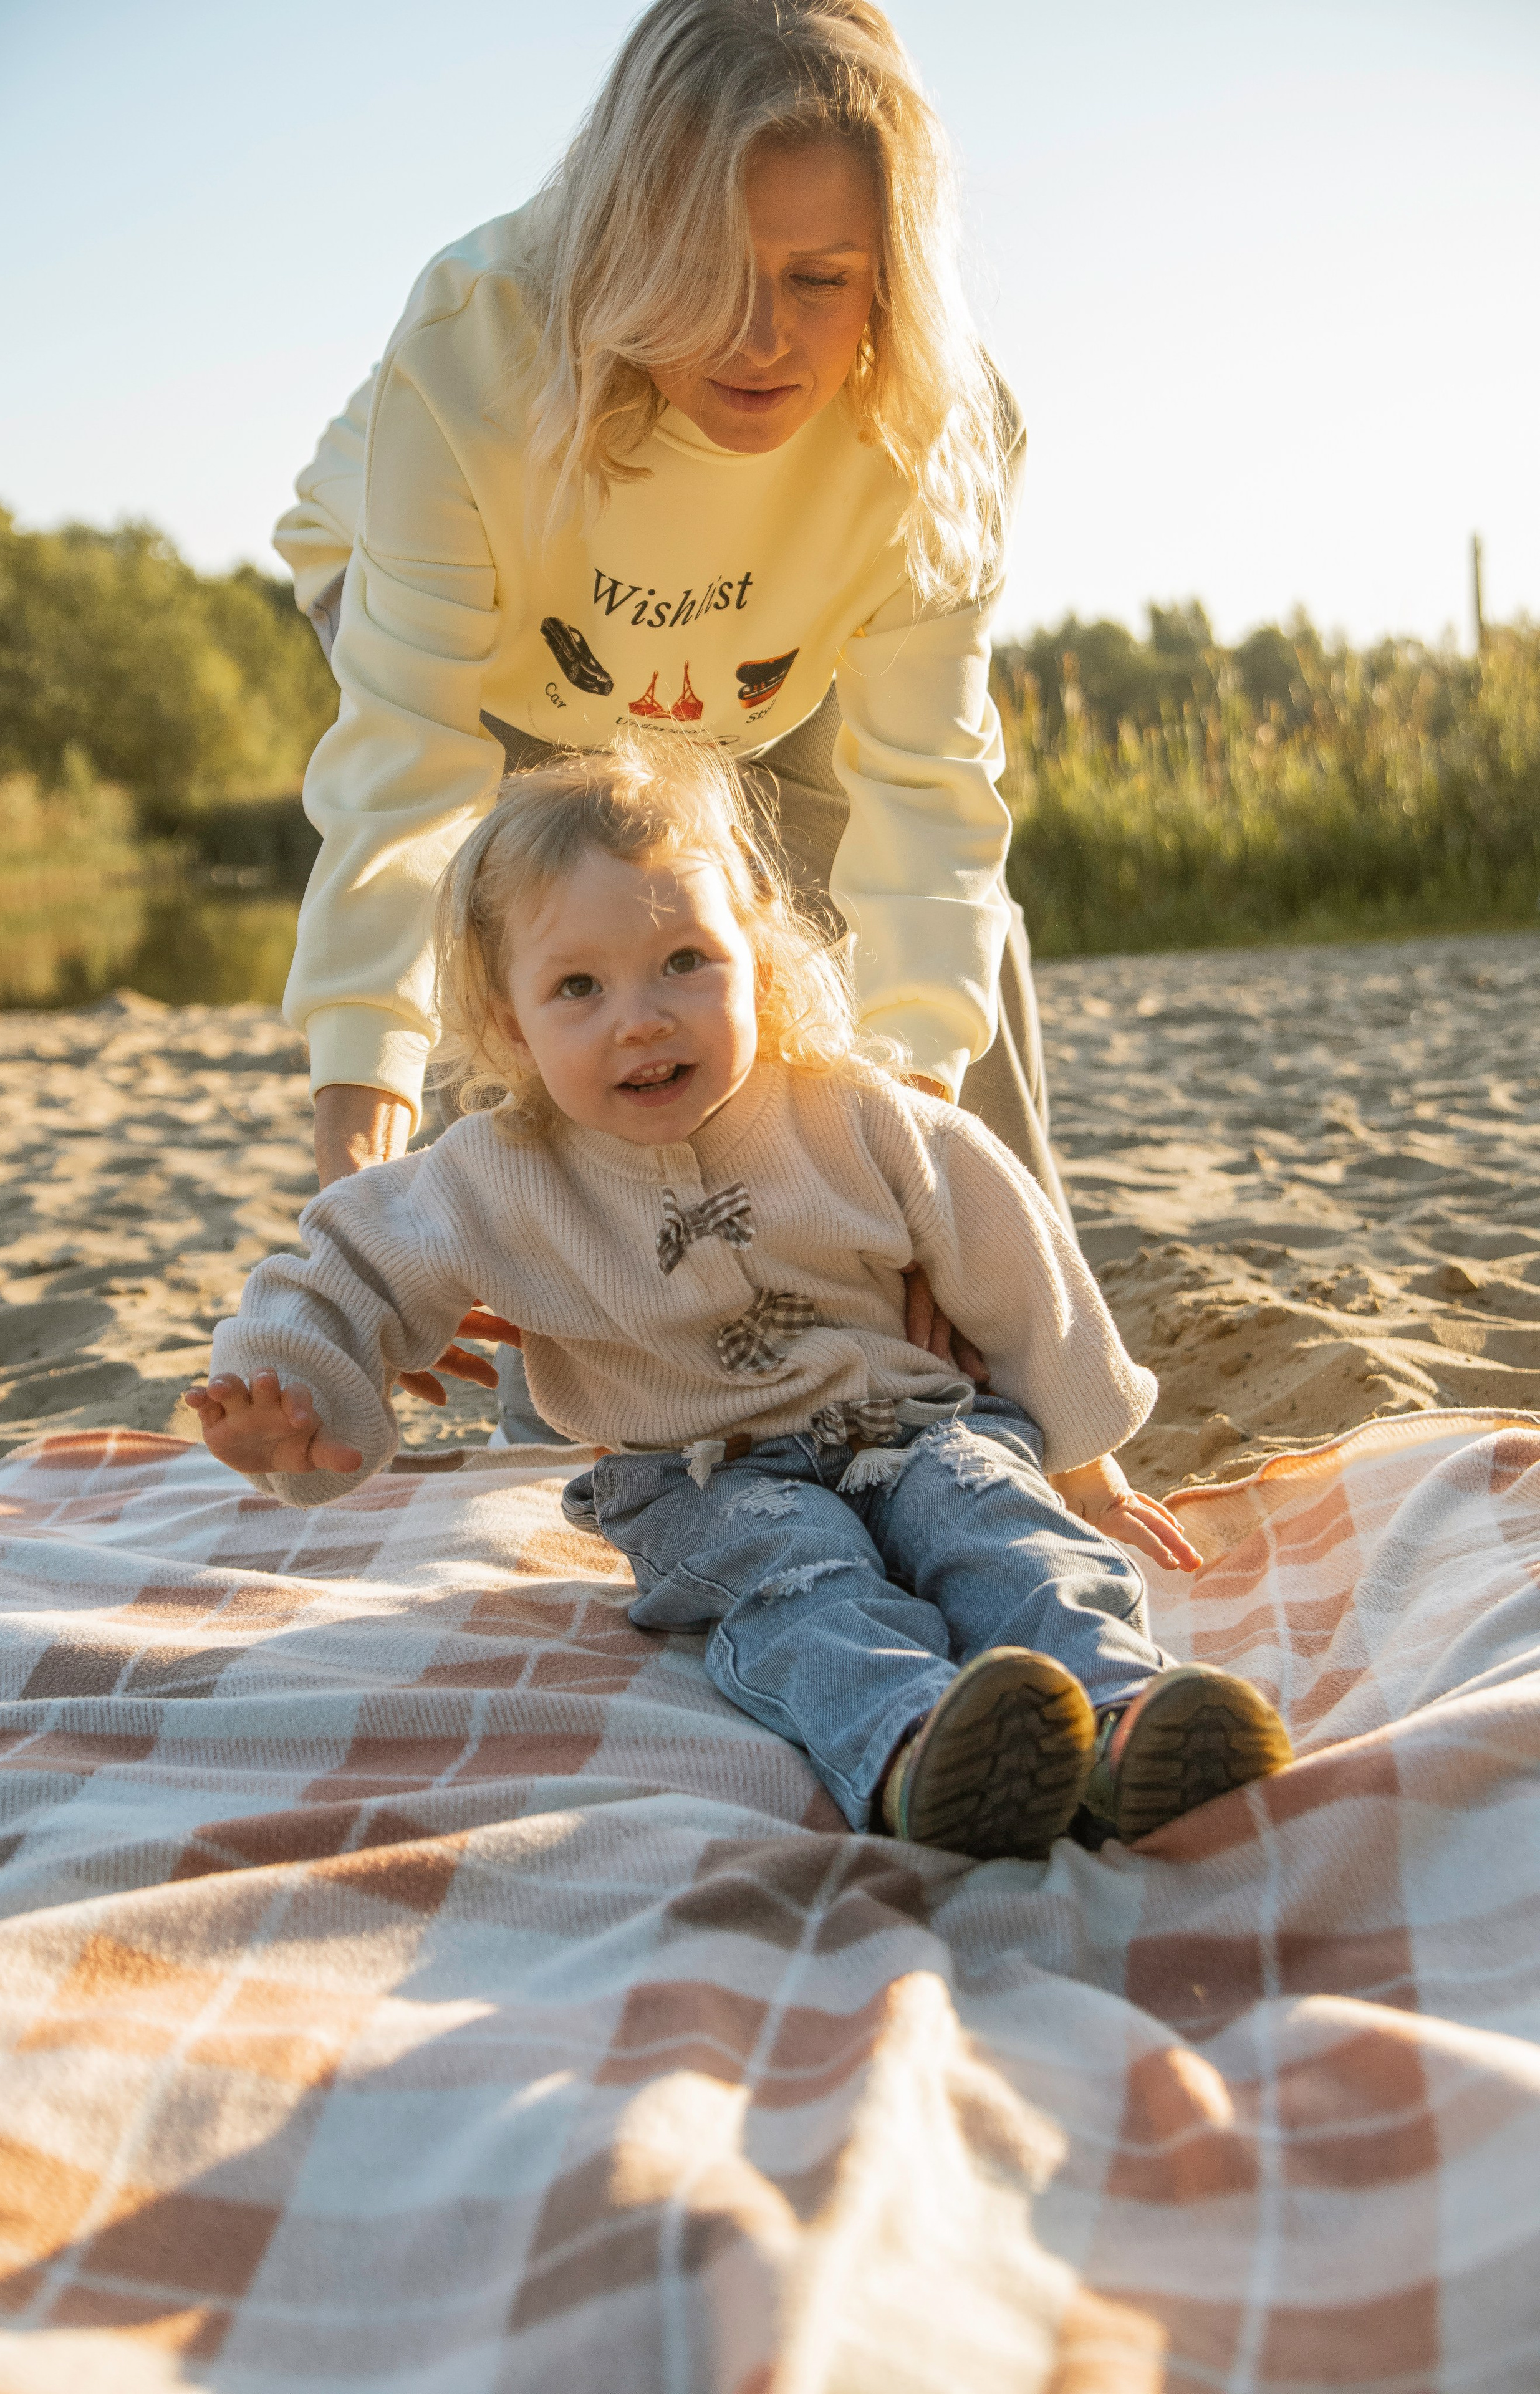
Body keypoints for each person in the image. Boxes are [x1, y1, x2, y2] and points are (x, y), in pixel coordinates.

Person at [188, 734, 1292, 1859]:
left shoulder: (848, 1113)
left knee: (997, 1526)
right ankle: (920, 1746)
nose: (642, 1017)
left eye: (685, 961)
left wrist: (1085, 1465)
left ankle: (1125, 1717)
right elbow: (347, 1263)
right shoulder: (497, 1173)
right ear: (513, 1023)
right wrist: (298, 1388)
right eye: (579, 986)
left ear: (754, 955)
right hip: (701, 1473)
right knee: (798, 1578)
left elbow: (1010, 1255)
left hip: (908, 1425)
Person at [274, 0, 1069, 1444]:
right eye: (705, 275)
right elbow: (405, 777)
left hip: (772, 655)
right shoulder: (478, 345)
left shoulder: (941, 427)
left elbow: (928, 810)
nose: (760, 336)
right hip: (496, 644)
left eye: (820, 279)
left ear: (890, 275)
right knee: (568, 930)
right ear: (627, 245)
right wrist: (357, 1109)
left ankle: (987, 1341)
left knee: (891, 969)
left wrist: (903, 1171)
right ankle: (582, 1406)